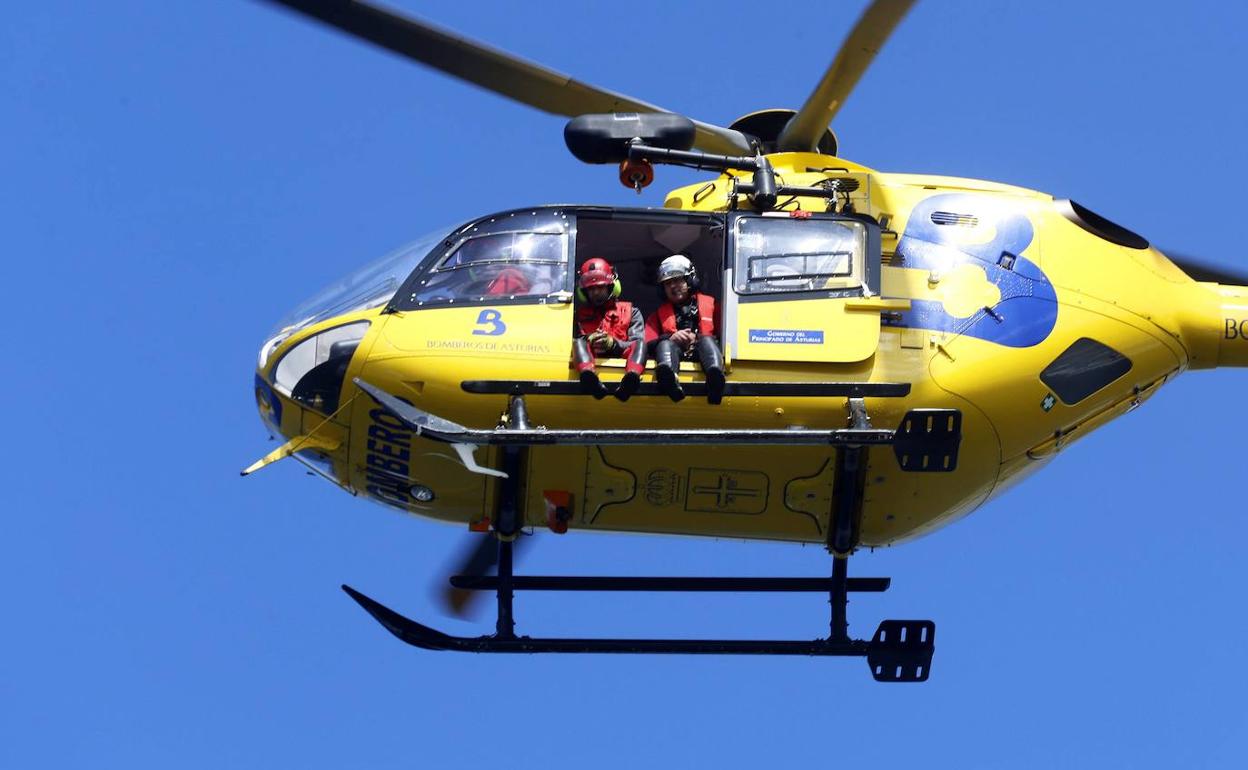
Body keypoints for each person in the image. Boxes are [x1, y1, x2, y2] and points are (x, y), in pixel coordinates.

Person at [644, 254, 726, 404]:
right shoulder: (656, 316)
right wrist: (670, 338)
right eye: (667, 283)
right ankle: (669, 381)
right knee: (665, 344)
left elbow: (728, 338)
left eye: (677, 280)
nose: (673, 286)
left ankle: (714, 379)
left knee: (707, 340)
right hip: (675, 354)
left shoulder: (714, 307)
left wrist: (698, 339)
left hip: (703, 354)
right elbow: (647, 344)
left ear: (690, 281)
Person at [572, 257, 646, 401]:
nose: (596, 292)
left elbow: (636, 341)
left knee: (641, 344)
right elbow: (572, 342)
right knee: (578, 343)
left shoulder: (632, 312)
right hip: (591, 359)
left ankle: (632, 378)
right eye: (591, 289)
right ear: (584, 292)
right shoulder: (577, 316)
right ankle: (588, 377)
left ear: (612, 286)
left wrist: (612, 344)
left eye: (600, 287)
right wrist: (589, 339)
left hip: (622, 358)